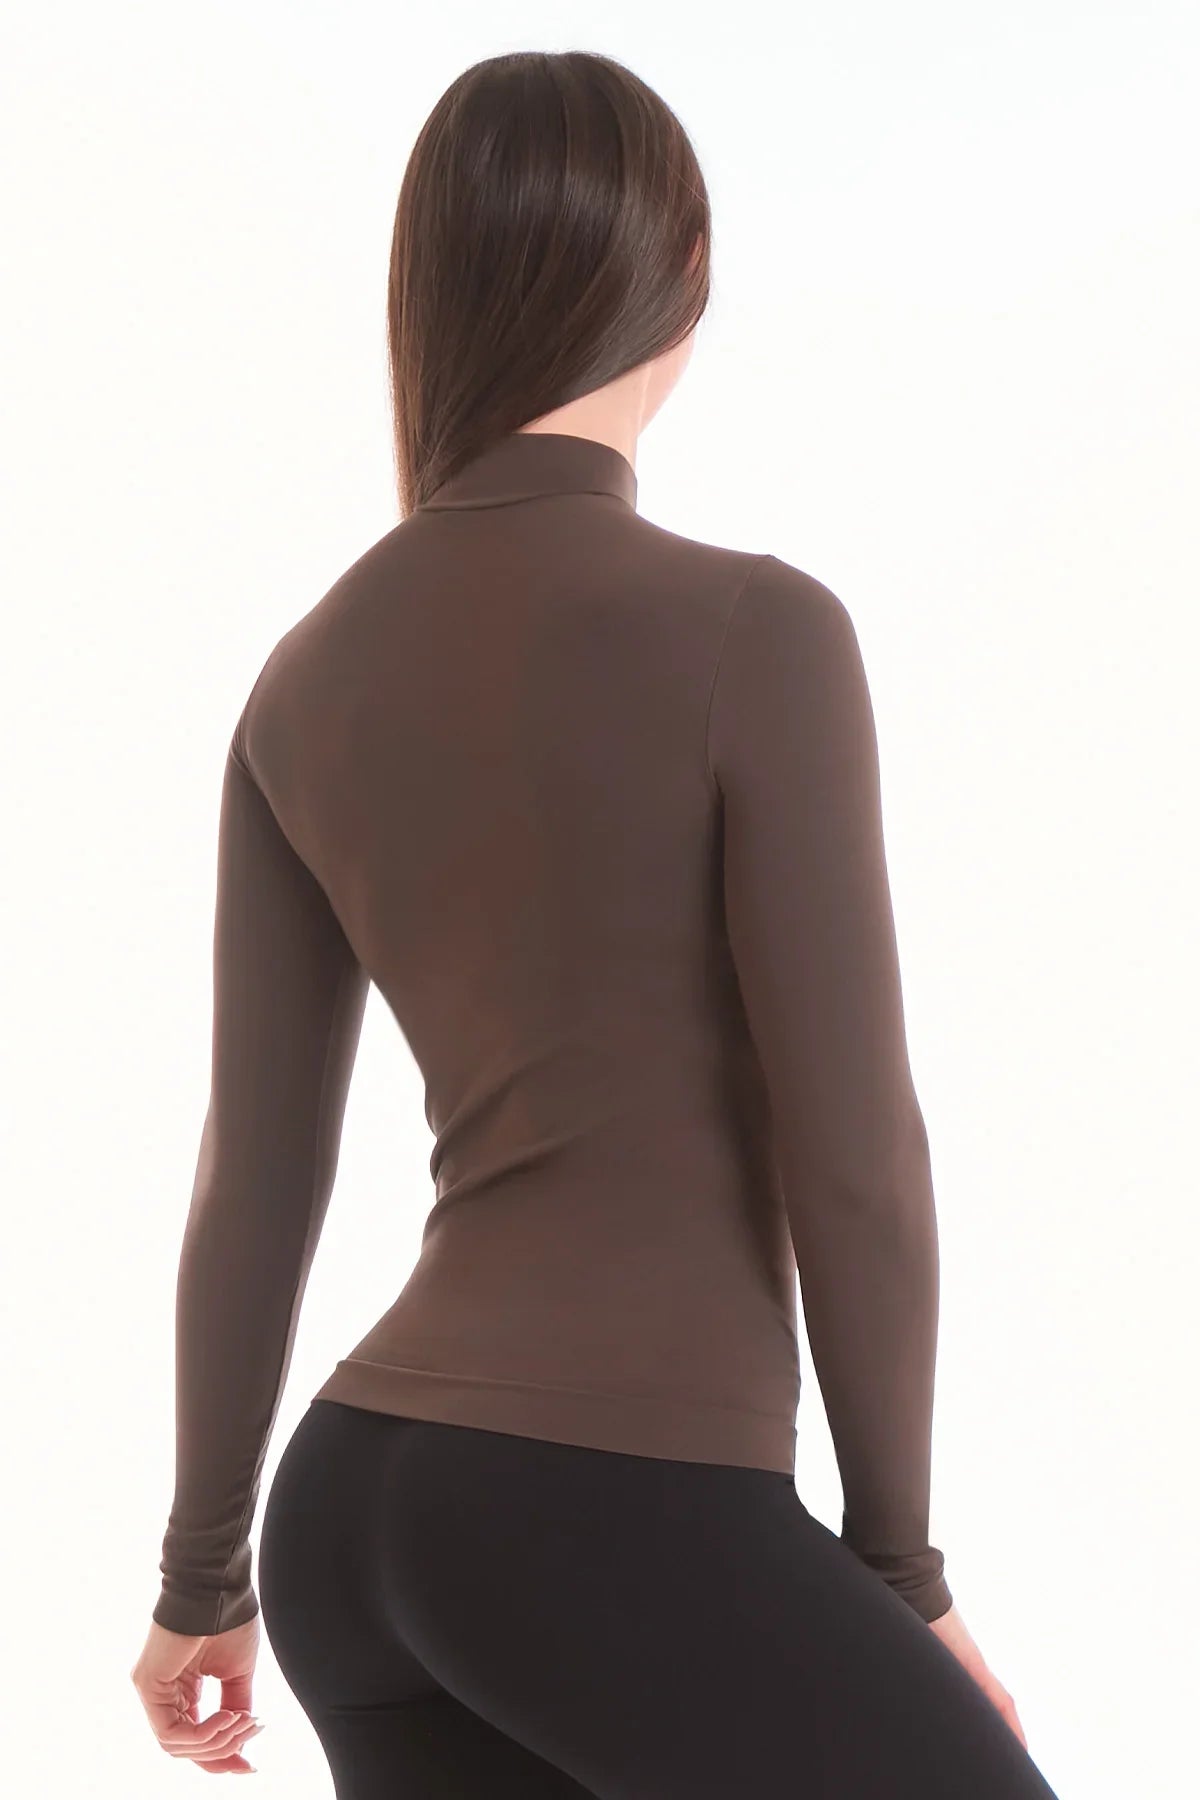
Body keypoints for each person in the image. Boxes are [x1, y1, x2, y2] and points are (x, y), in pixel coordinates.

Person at [130, 47, 1061, 1799]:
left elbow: (253, 1175)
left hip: (354, 1522)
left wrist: (201, 1577)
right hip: (606, 1502)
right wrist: (896, 1576)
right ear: (686, 275)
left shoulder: (300, 681)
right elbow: (855, 1155)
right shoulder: (758, 632)